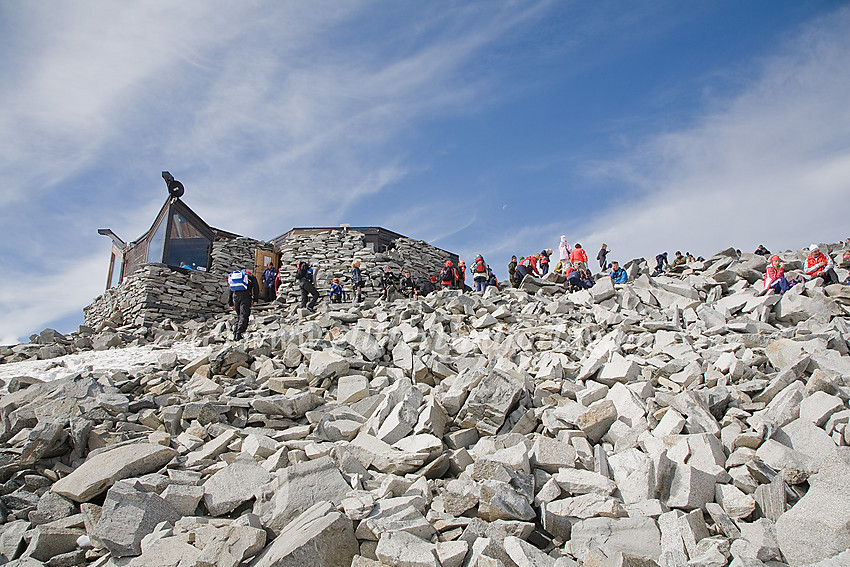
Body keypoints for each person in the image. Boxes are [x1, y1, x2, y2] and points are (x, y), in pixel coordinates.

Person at [227, 268, 259, 340]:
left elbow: (230, 290)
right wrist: (255, 299)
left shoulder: (235, 278)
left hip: (235, 297)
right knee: (244, 315)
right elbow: (256, 288)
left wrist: (230, 303)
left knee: (239, 315)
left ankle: (235, 332)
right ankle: (239, 333)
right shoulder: (251, 277)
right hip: (246, 297)